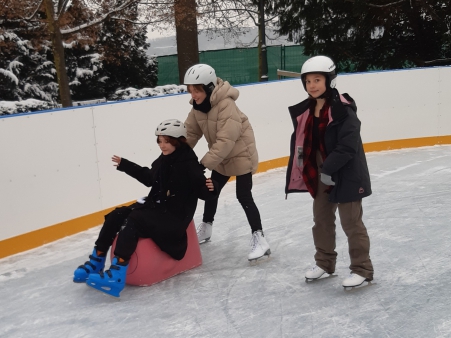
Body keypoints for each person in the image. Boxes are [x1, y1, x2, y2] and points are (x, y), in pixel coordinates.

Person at [73, 119, 217, 297]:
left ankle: (117, 273)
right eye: (160, 141)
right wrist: (125, 165)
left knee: (135, 219)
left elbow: (203, 192)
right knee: (117, 215)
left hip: (174, 217)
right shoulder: (164, 160)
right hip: (156, 208)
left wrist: (211, 188)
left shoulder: (188, 163)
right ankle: (97, 261)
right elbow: (150, 178)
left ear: (177, 141)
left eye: (167, 141)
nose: (162, 145)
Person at [285, 55, 374, 288]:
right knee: (322, 220)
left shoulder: (343, 110)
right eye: (308, 81)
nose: (312, 85)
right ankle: (325, 263)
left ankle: (362, 268)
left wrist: (330, 168)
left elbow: (347, 146)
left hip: (346, 172)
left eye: (317, 80)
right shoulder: (307, 109)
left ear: (330, 80)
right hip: (321, 172)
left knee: (351, 223)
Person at [183, 63, 271, 261]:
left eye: (197, 90)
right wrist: (176, 153)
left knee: (243, 195)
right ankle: (206, 228)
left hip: (241, 153)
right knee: (211, 190)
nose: (193, 94)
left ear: (209, 88)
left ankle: (260, 239)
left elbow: (226, 140)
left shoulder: (226, 105)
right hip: (221, 156)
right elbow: (189, 134)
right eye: (190, 90)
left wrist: (202, 164)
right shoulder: (197, 108)